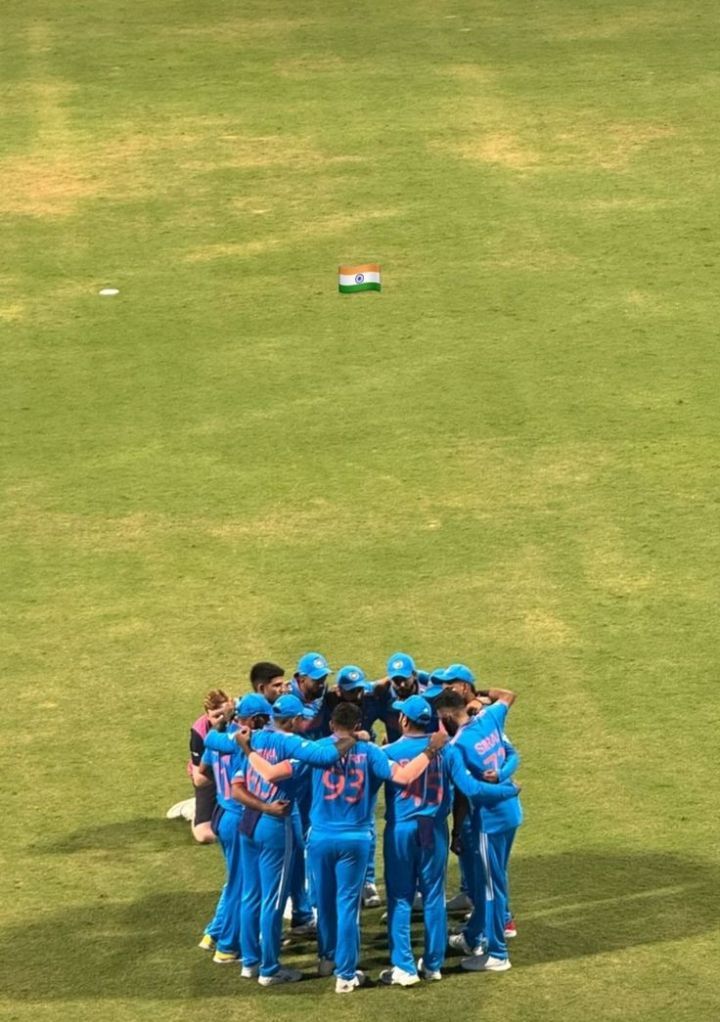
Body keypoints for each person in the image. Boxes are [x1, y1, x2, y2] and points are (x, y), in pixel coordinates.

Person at [244, 701, 449, 994]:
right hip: (356, 839)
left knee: (323, 902)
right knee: (347, 906)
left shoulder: (314, 751)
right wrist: (430, 750)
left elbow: (274, 773)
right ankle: (346, 973)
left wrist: (248, 751)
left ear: (331, 725)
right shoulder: (371, 753)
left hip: (320, 838)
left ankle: (327, 959)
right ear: (358, 726)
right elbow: (404, 777)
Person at [381, 695, 521, 985]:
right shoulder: (448, 750)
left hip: (402, 831)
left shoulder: (388, 752)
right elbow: (471, 788)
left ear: (404, 721)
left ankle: (404, 967)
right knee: (434, 897)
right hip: (434, 829)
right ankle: (433, 966)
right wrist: (507, 789)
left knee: (400, 898)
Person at [230, 693, 357, 986]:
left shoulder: (253, 739)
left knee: (252, 894)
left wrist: (259, 804)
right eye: (302, 718)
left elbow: (237, 787)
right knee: (273, 901)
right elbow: (326, 756)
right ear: (295, 720)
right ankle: (269, 970)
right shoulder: (290, 744)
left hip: (249, 819)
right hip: (276, 824)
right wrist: (354, 738)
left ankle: (250, 962)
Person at [436, 687, 522, 973]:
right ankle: (476, 937)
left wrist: (504, 791)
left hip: (490, 820)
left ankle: (497, 953)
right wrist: (482, 694)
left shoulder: (456, 747)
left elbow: (470, 788)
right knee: (497, 882)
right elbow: (508, 695)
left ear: (447, 715)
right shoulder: (489, 718)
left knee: (489, 890)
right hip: (511, 816)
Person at [196, 693, 273, 963]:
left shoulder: (221, 736)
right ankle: (228, 946)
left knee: (236, 881)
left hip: (223, 814)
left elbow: (202, 773)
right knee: (243, 885)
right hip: (240, 816)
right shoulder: (247, 741)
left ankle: (214, 933)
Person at [323, 665, 382, 907]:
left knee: (366, 820)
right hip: (331, 763)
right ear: (339, 691)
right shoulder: (327, 702)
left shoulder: (367, 695)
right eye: (351, 691)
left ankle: (367, 881)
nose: (356, 695)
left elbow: (383, 683)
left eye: (359, 689)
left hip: (357, 765)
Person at [165, 689, 233, 844]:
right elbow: (199, 779)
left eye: (224, 714)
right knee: (205, 835)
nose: (221, 720)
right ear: (207, 715)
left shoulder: (240, 719)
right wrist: (225, 774)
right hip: (212, 776)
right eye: (216, 716)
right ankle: (195, 808)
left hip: (236, 775)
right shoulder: (199, 731)